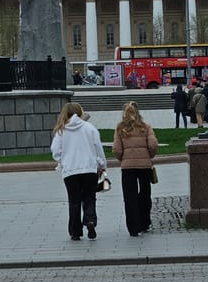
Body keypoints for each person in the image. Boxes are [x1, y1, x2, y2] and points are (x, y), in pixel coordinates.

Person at [51, 102, 107, 241]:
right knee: (89, 197)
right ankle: (90, 220)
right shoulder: (89, 128)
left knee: (74, 201)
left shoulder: (61, 131)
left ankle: (75, 231)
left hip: (70, 171)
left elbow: (55, 151)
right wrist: (102, 164)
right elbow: (98, 148)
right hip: (89, 169)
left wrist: (62, 161)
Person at [112, 101, 158, 237]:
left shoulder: (120, 129)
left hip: (127, 167)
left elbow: (116, 149)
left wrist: (123, 159)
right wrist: (149, 156)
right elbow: (153, 145)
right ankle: (144, 222)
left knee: (129, 197)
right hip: (144, 166)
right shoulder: (146, 127)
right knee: (145, 194)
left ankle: (133, 227)